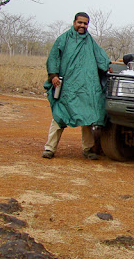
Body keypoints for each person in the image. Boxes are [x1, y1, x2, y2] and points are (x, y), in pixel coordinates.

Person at [42, 12, 111, 159]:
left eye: (85, 23)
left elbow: (100, 57)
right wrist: (53, 75)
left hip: (86, 87)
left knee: (87, 117)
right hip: (66, 86)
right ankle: (49, 148)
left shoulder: (89, 41)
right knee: (59, 116)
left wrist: (107, 66)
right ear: (74, 22)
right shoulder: (63, 39)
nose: (82, 26)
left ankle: (88, 150)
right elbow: (53, 57)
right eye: (80, 23)